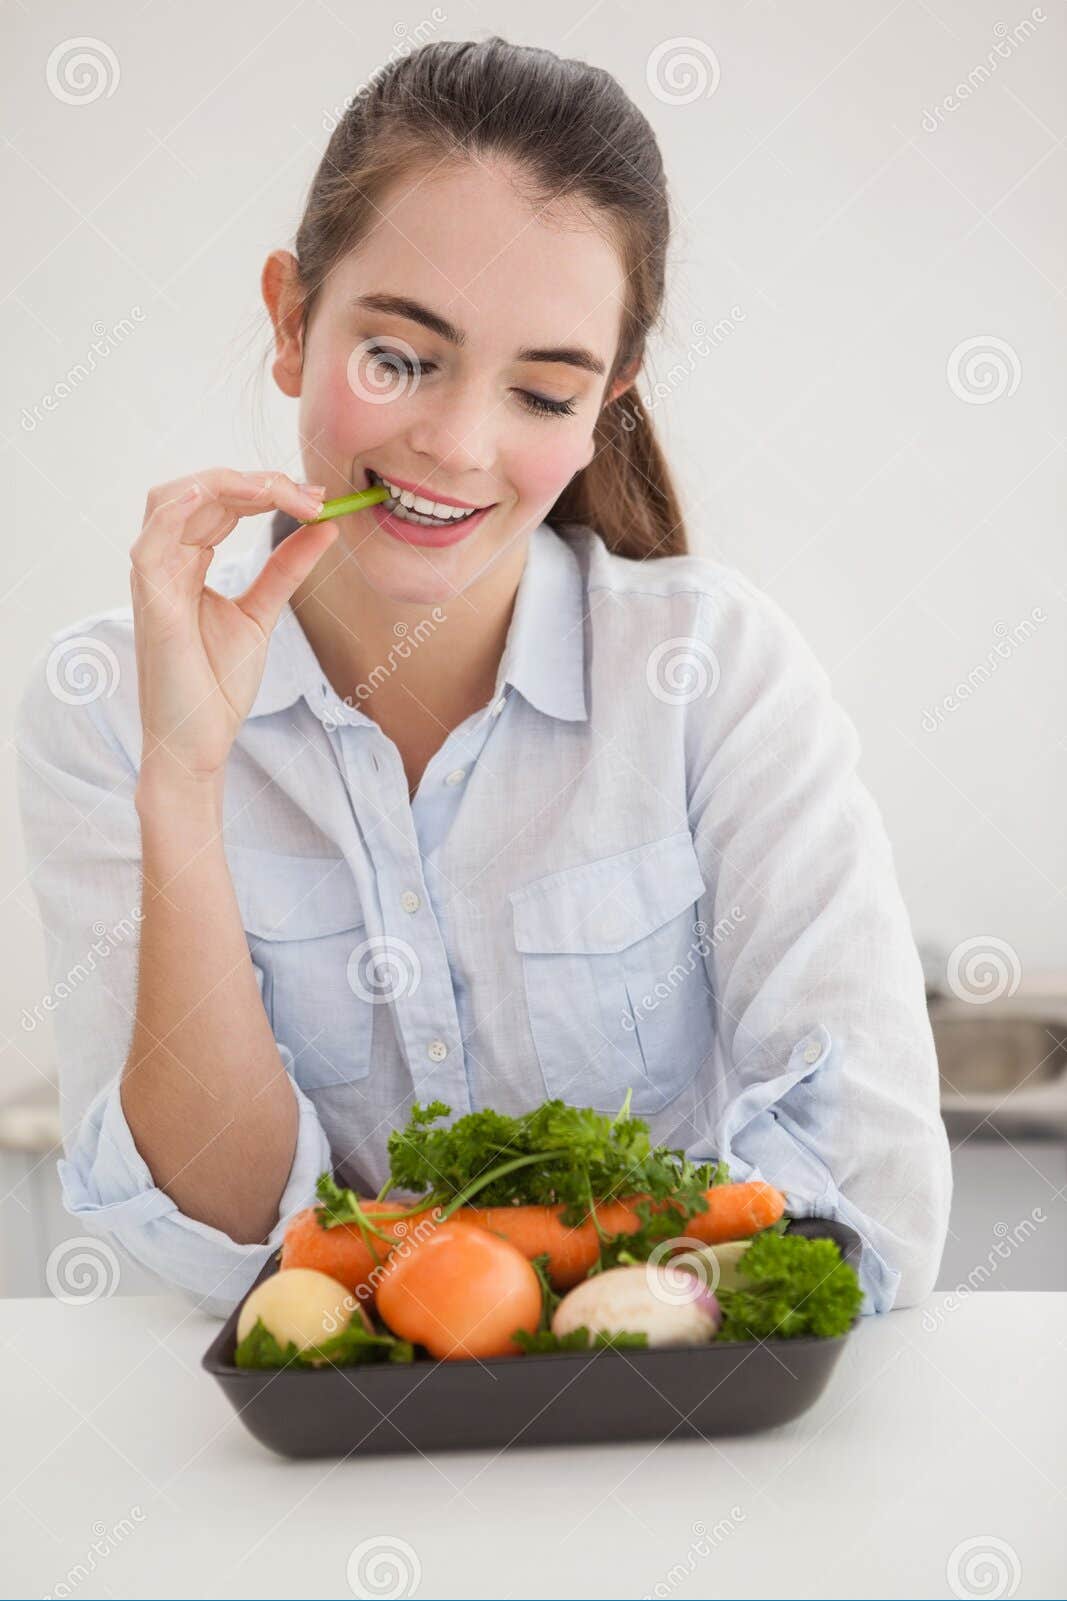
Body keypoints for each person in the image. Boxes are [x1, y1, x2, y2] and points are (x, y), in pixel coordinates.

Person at [17, 37, 951, 1319]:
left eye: (542, 390)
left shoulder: (710, 673)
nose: (456, 444)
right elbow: (224, 1238)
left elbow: (868, 1183)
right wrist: (184, 783)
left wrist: (513, 1300)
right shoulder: (103, 705)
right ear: (292, 322)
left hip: (675, 1430)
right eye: (399, 357)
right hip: (302, 1487)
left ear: (606, 401)